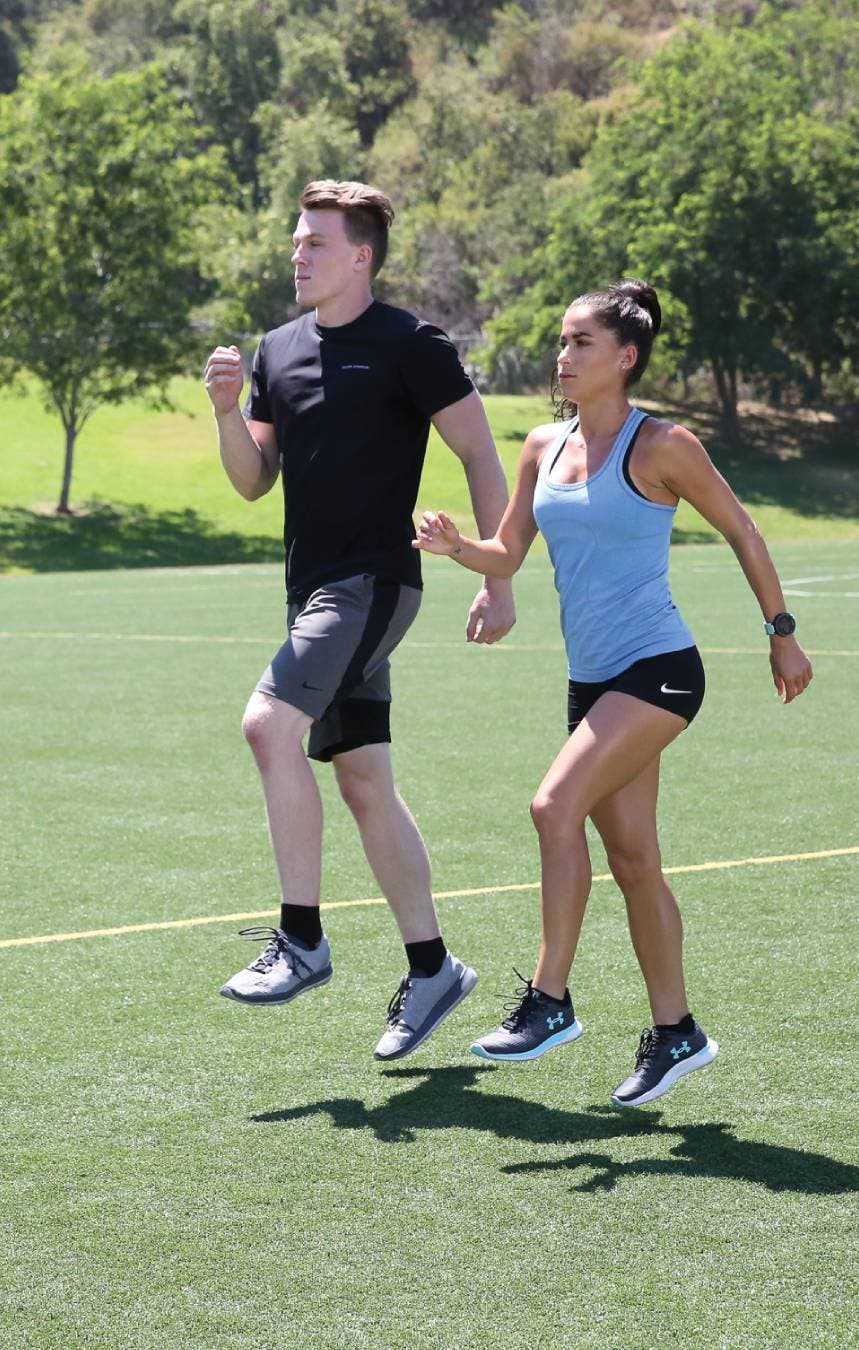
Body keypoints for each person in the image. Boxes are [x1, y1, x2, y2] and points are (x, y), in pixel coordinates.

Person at [413, 279, 813, 1107]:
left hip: (660, 668)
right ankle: (677, 1032)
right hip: (592, 681)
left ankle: (550, 1001)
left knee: (552, 808)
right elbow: (509, 552)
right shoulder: (539, 447)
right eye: (561, 342)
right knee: (634, 862)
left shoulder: (663, 445)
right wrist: (461, 551)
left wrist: (782, 632)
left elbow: (742, 528)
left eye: (581, 343)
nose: (563, 356)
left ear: (625, 358)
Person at [206, 180, 514, 1060]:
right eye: (296, 241)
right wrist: (228, 412)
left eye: (313, 243)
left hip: (374, 584)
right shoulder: (277, 348)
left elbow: (479, 450)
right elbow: (250, 478)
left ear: (360, 257)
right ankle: (433, 969)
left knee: (268, 724)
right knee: (364, 783)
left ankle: (300, 938)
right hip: (312, 593)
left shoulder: (411, 345)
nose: (296, 254)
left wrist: (496, 575)